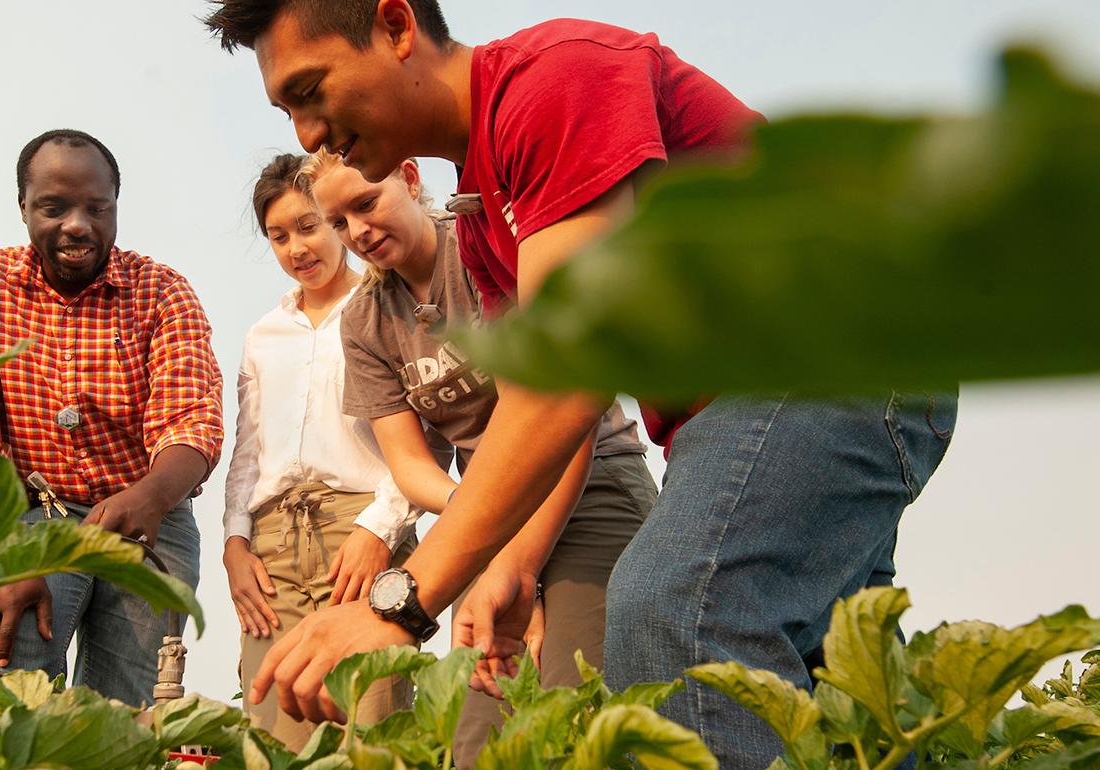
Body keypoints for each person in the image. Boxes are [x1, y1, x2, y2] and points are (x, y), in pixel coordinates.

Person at [202, 3, 956, 766]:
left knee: (675, 613)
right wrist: (518, 565)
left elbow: (564, 387)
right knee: (848, 699)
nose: (307, 133)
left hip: (825, 357)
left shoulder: (554, 77)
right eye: (286, 110)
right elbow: (557, 408)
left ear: (397, 27)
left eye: (309, 90)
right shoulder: (490, 221)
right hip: (749, 410)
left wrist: (403, 601)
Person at [301, 149, 656, 764]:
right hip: (485, 509)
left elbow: (561, 413)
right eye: (338, 222)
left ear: (410, 178)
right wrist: (489, 513)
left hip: (590, 476)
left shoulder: (484, 249)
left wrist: (521, 561)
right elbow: (412, 468)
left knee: (578, 698)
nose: (357, 231)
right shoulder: (363, 322)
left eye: (366, 203)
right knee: (481, 722)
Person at [0, 128, 223, 707]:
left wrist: (152, 496)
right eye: (54, 207)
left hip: (149, 517)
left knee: (125, 711)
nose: (77, 225)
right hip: (28, 515)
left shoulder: (163, 291)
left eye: (97, 207)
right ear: (23, 209)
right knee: (11, 687)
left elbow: (191, 419)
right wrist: (6, 554)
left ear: (116, 205)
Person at [222, 153, 423, 747]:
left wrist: (380, 530)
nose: (296, 249)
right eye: (278, 236)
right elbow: (248, 451)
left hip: (358, 536)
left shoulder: (386, 308)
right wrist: (236, 544)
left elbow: (423, 438)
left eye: (309, 226)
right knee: (272, 732)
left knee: (371, 728)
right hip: (274, 550)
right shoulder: (264, 335)